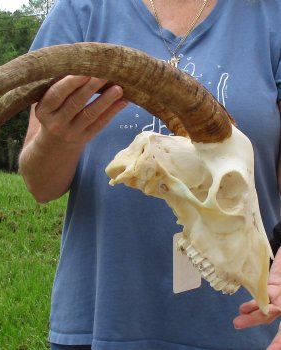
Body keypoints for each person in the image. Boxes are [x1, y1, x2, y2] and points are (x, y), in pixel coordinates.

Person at [18, 0, 281, 349]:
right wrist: (56, 138)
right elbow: (40, 186)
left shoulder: (271, 15)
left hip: (246, 325)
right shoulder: (82, 11)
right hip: (100, 319)